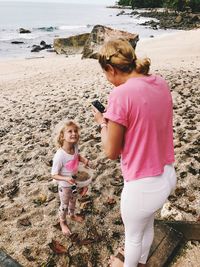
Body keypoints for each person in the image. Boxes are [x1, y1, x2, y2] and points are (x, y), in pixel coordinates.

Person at [92, 39, 177, 267]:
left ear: (111, 69)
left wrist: (102, 123)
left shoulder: (120, 95)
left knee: (133, 238)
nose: (107, 80)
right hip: (167, 174)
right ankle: (141, 262)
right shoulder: (160, 82)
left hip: (142, 184)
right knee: (146, 225)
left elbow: (111, 151)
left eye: (105, 74)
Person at [51, 120, 89, 236]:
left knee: (74, 200)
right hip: (65, 186)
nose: (74, 133)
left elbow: (77, 156)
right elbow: (53, 174)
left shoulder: (75, 146)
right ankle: (62, 222)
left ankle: (72, 215)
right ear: (62, 136)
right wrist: (65, 178)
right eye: (70, 131)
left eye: (75, 131)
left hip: (74, 182)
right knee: (64, 205)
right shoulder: (60, 155)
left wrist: (83, 160)